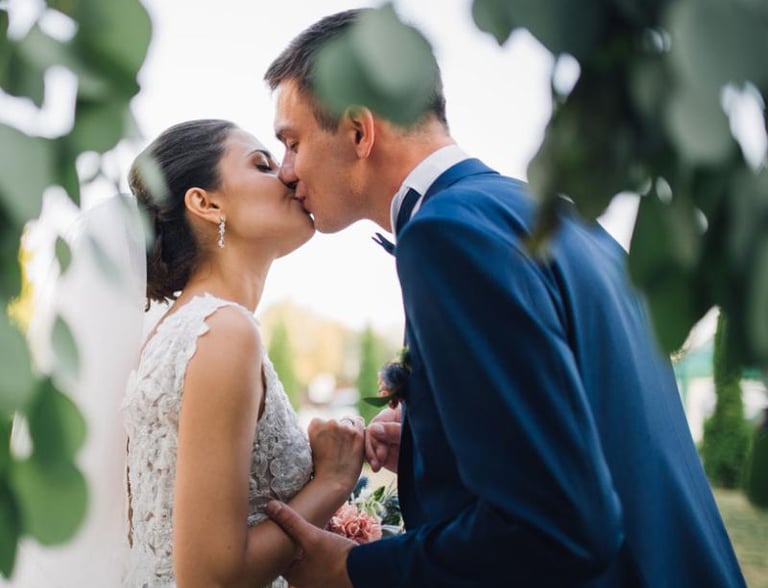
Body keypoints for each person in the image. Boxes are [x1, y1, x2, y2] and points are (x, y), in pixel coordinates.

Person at [261, 9, 746, 587]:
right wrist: (430, 441)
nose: (286, 172)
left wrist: (356, 570)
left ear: (360, 131)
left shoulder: (448, 236)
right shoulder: (560, 220)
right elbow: (591, 434)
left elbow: (559, 524)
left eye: (291, 143)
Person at [121, 119, 365, 587]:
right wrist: (331, 483)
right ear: (206, 203)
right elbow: (212, 580)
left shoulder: (178, 331)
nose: (289, 175)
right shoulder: (223, 331)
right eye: (262, 164)